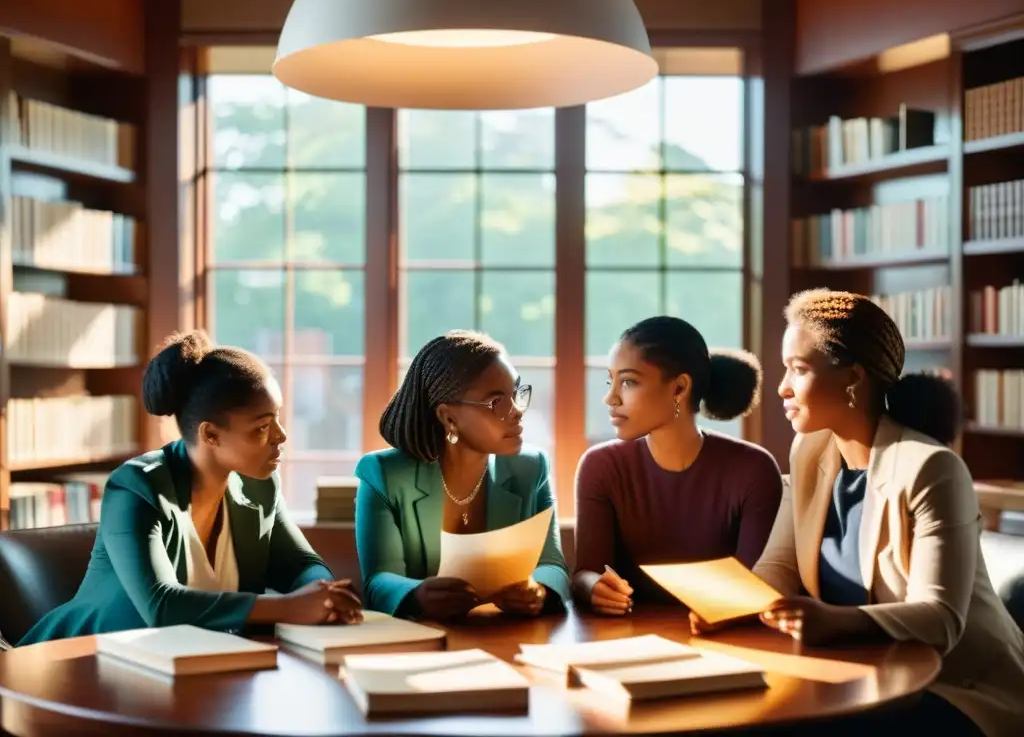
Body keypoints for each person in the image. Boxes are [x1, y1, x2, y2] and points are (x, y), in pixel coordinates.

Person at [749, 288, 1024, 735]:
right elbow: (778, 567)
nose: (782, 387)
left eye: (798, 370)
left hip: (955, 685)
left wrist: (835, 622)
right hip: (859, 672)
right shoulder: (809, 450)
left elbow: (940, 619)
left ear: (853, 378)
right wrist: (726, 605)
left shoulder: (931, 467)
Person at [18, 331, 362, 646]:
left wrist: (323, 593)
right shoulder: (136, 487)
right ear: (210, 434)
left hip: (187, 664)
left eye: (277, 418)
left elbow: (298, 562)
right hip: (81, 663)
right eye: (261, 427)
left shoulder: (259, 484)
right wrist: (288, 608)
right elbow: (162, 605)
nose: (281, 437)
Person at [573, 316, 783, 615]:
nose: (610, 397)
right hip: (626, 638)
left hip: (728, 640)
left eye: (629, 381)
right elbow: (586, 572)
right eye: (612, 380)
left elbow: (754, 586)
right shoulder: (601, 466)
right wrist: (594, 587)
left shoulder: (754, 469)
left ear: (679, 388)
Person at [355, 331, 571, 621]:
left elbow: (553, 565)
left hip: (509, 636)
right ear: (449, 417)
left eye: (517, 394)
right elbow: (379, 580)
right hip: (422, 642)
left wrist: (539, 590)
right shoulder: (384, 474)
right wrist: (417, 595)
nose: (518, 411)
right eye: (496, 402)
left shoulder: (532, 468)